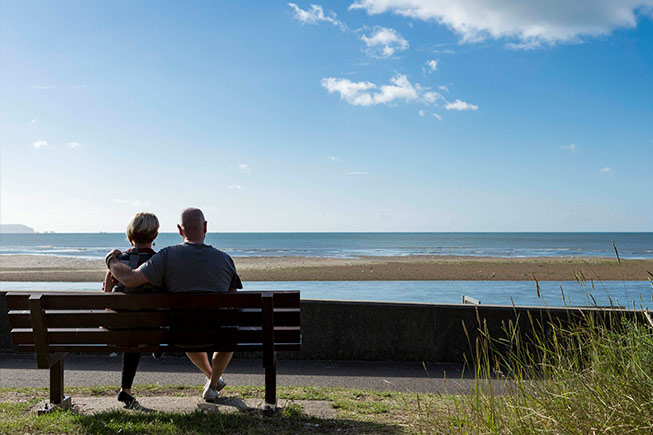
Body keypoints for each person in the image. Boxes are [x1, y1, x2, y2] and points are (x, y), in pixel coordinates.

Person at [105, 207, 242, 403]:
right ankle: (212, 384)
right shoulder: (225, 260)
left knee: (188, 324)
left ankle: (213, 379)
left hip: (181, 335)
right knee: (228, 329)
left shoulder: (167, 256)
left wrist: (111, 259)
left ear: (179, 230)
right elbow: (233, 304)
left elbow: (130, 278)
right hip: (219, 335)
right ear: (205, 227)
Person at [103, 212, 161, 409]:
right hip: (153, 327)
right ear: (155, 235)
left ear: (130, 236)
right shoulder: (160, 262)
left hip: (121, 327)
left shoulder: (118, 264)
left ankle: (125, 389)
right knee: (141, 323)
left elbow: (106, 295)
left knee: (132, 330)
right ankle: (156, 345)